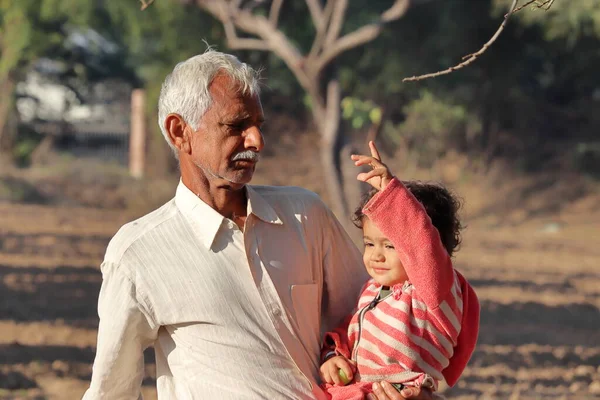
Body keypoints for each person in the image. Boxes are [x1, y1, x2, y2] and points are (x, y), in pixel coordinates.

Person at [82, 50, 435, 400]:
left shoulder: (305, 215)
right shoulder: (139, 253)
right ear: (180, 132)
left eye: (258, 126)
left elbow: (371, 317)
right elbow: (111, 392)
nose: (256, 141)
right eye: (236, 126)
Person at [319, 142, 480, 400]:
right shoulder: (373, 289)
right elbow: (351, 330)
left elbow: (421, 241)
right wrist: (332, 356)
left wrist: (390, 192)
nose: (376, 255)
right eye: (369, 244)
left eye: (391, 245)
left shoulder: (434, 292)